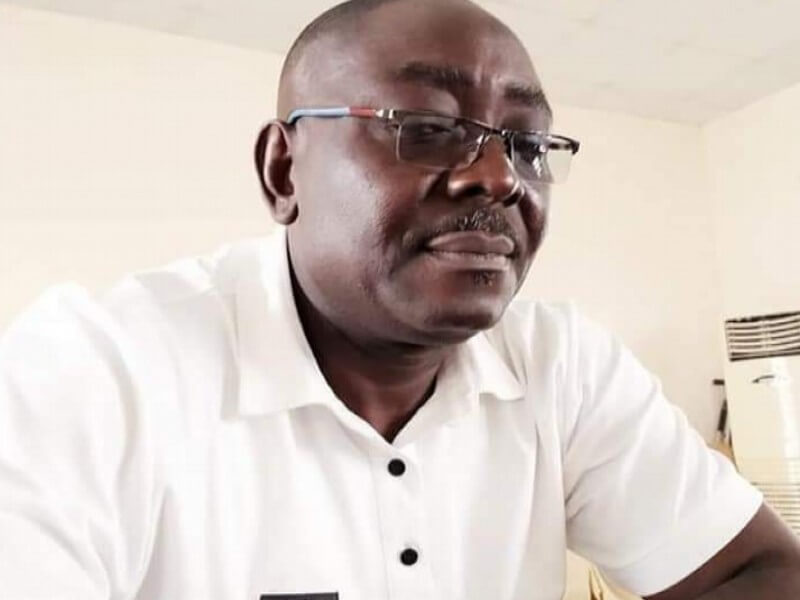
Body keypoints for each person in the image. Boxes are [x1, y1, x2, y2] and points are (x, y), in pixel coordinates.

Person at [1, 0, 798, 598]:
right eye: (425, 126)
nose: (500, 178)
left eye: (527, 143)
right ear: (283, 172)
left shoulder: (562, 367)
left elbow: (761, 572)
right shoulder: (92, 372)